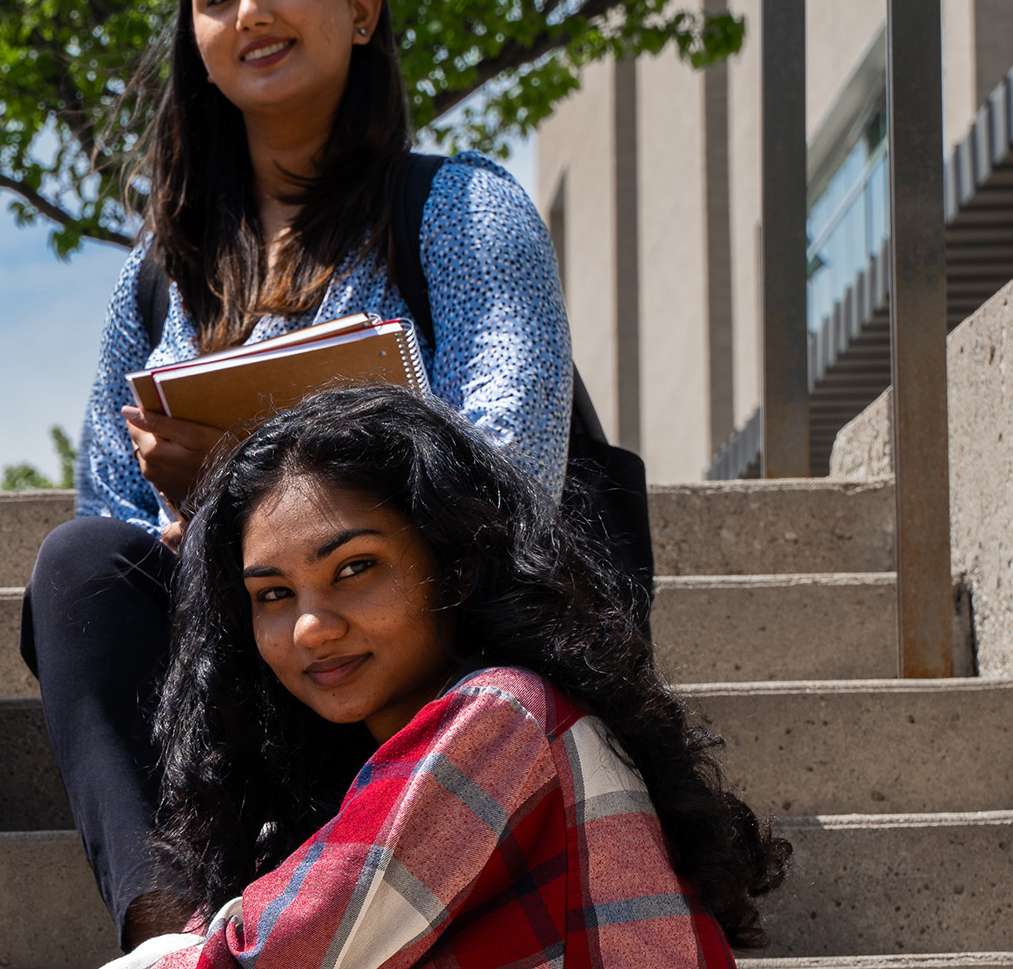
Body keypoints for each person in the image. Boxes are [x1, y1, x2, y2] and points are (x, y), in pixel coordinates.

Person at [20, 0, 574, 947]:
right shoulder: (159, 275)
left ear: (361, 9)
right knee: (79, 564)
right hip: (236, 662)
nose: (251, 13)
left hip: (417, 639)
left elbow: (513, 469)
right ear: (195, 40)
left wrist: (247, 485)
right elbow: (113, 502)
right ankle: (167, 936)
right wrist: (205, 525)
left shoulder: (459, 207)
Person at [112, 383, 787, 968]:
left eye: (354, 568)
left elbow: (263, 956)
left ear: (456, 566)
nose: (310, 628)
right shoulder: (349, 779)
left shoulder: (504, 716)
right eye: (273, 594)